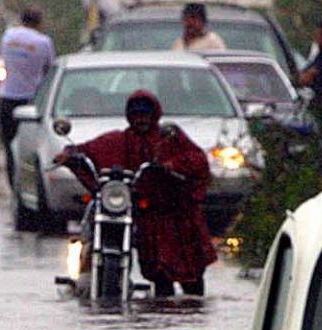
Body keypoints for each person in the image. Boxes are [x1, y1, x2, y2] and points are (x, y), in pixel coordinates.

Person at [53, 91, 218, 297]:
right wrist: (69, 155)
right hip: (148, 217)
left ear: (154, 115)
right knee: (160, 276)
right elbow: (89, 150)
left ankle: (191, 309)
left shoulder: (169, 137)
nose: (141, 120)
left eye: (145, 115)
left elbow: (197, 160)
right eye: (136, 115)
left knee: (192, 279)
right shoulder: (120, 140)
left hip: (178, 216)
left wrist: (171, 165)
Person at [0, 8, 56, 185]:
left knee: (10, 146)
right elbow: (49, 69)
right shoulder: (44, 42)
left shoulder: (8, 37)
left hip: (8, 97)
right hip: (31, 100)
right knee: (31, 147)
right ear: (39, 23)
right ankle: (29, 182)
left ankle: (13, 183)